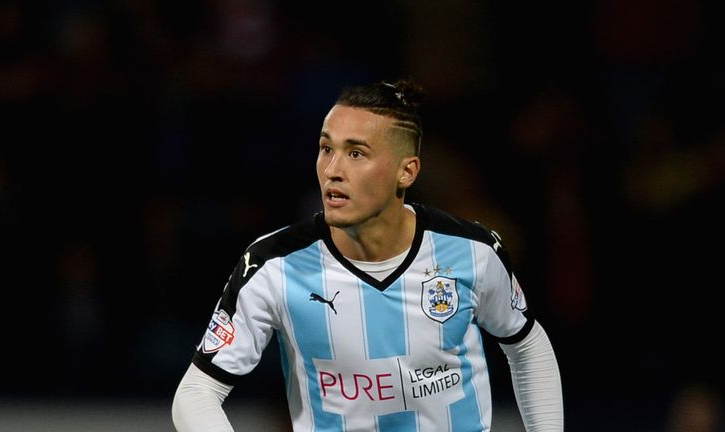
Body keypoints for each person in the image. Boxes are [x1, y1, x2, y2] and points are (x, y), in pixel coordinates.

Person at [172, 78, 564, 431]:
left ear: (406, 172)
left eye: (356, 154)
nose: (332, 169)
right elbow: (196, 393)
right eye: (326, 148)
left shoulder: (471, 252)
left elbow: (527, 346)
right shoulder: (273, 265)